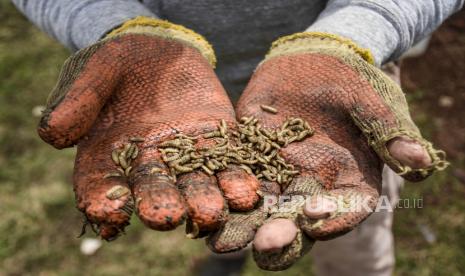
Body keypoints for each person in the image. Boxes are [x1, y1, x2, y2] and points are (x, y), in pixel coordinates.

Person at [12, 1, 463, 275]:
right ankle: (226, 260)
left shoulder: (334, 76)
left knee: (342, 216)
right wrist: (118, 26)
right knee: (219, 204)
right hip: (173, 98)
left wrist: (347, 38)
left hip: (332, 91)